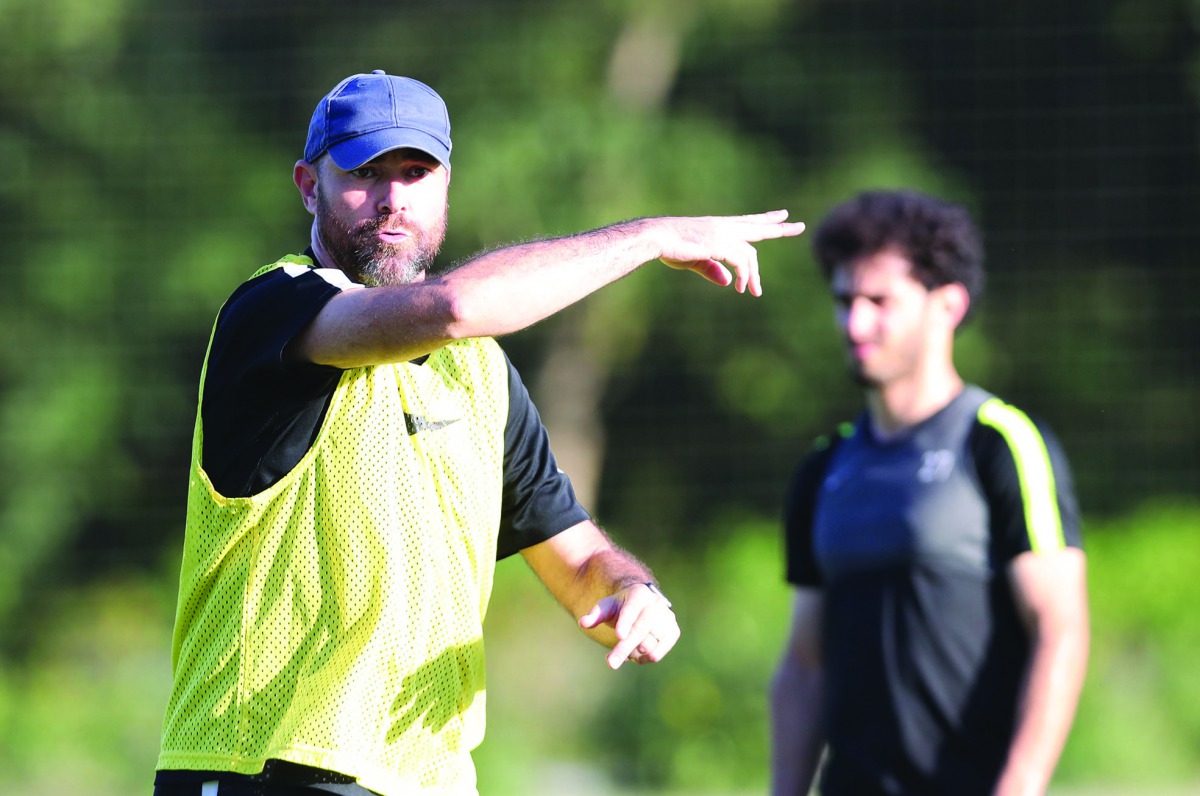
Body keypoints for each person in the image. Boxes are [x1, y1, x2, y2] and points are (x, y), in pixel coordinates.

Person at [153, 70, 804, 796]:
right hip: (262, 769)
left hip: (425, 780)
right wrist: (650, 236)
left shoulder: (480, 376)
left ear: (446, 186)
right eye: (365, 173)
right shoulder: (274, 309)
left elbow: (581, 559)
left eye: (416, 172)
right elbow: (455, 306)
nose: (394, 199)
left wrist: (634, 593)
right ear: (309, 185)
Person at [770, 190, 1089, 796]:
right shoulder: (824, 468)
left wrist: (1019, 786)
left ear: (948, 306)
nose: (854, 322)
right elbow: (804, 666)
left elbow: (1060, 628)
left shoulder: (1000, 442)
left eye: (879, 301)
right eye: (844, 301)